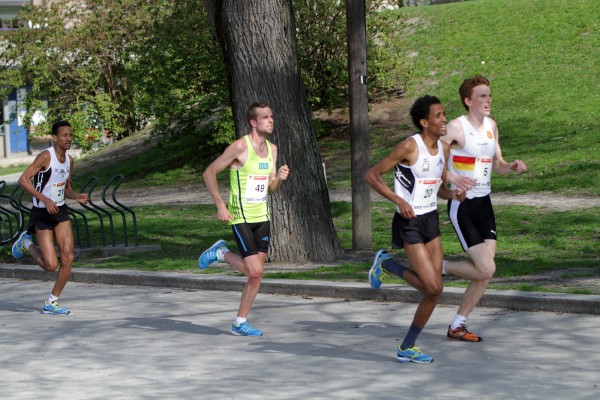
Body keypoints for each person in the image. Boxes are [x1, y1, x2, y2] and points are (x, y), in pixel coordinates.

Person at [365, 95, 465, 363]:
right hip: (409, 222)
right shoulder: (410, 146)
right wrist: (399, 200)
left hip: (430, 220)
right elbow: (371, 175)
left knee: (436, 289)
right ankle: (388, 265)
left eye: (444, 114)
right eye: (438, 115)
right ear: (424, 122)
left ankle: (407, 347)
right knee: (432, 288)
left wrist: (452, 194)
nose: (444, 119)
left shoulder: (443, 150)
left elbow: (438, 187)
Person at [441, 75, 527, 342]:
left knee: (485, 273)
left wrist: (510, 166)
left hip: (484, 204)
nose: (488, 100)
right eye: (482, 96)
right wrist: (453, 180)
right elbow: (433, 160)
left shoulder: (492, 126)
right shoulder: (455, 128)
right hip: (462, 205)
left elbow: (497, 162)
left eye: (489, 95)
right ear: (468, 101)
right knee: (487, 269)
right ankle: (439, 267)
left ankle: (457, 325)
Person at [198, 102, 289, 337]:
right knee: (255, 271)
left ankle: (240, 322)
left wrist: (278, 178)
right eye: (265, 117)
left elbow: (270, 189)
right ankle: (221, 253)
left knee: (256, 275)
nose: (271, 120)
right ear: (253, 122)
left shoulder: (273, 149)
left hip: (262, 216)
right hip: (240, 217)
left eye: (272, 116)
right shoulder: (239, 147)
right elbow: (209, 173)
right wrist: (220, 205)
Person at [12, 120, 89, 315]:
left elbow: (66, 188)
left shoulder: (69, 160)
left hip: (60, 211)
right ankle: (25, 244)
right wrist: (44, 199)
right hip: (42, 213)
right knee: (50, 265)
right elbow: (23, 179)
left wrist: (77, 196)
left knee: (68, 257)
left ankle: (52, 302)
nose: (68, 138)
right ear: (54, 138)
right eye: (64, 135)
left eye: (70, 135)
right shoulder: (46, 156)